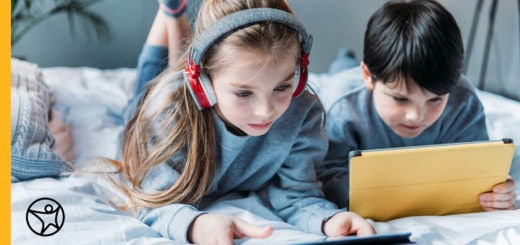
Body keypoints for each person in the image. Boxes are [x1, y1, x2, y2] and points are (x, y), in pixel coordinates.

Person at [114, 0, 375, 244]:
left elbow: (298, 195)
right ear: (202, 83)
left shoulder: (303, 113)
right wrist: (197, 225)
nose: (265, 111)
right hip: (150, 107)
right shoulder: (167, 110)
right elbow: (152, 201)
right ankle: (171, 13)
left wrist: (329, 220)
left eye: (282, 87)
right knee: (148, 86)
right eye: (243, 93)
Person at [315, 0, 517, 211]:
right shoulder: (342, 106)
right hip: (345, 80)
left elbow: (479, 170)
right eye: (400, 99)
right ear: (368, 76)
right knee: (341, 71)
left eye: (435, 99)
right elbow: (328, 177)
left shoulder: (464, 102)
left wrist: (497, 191)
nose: (416, 116)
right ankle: (344, 60)